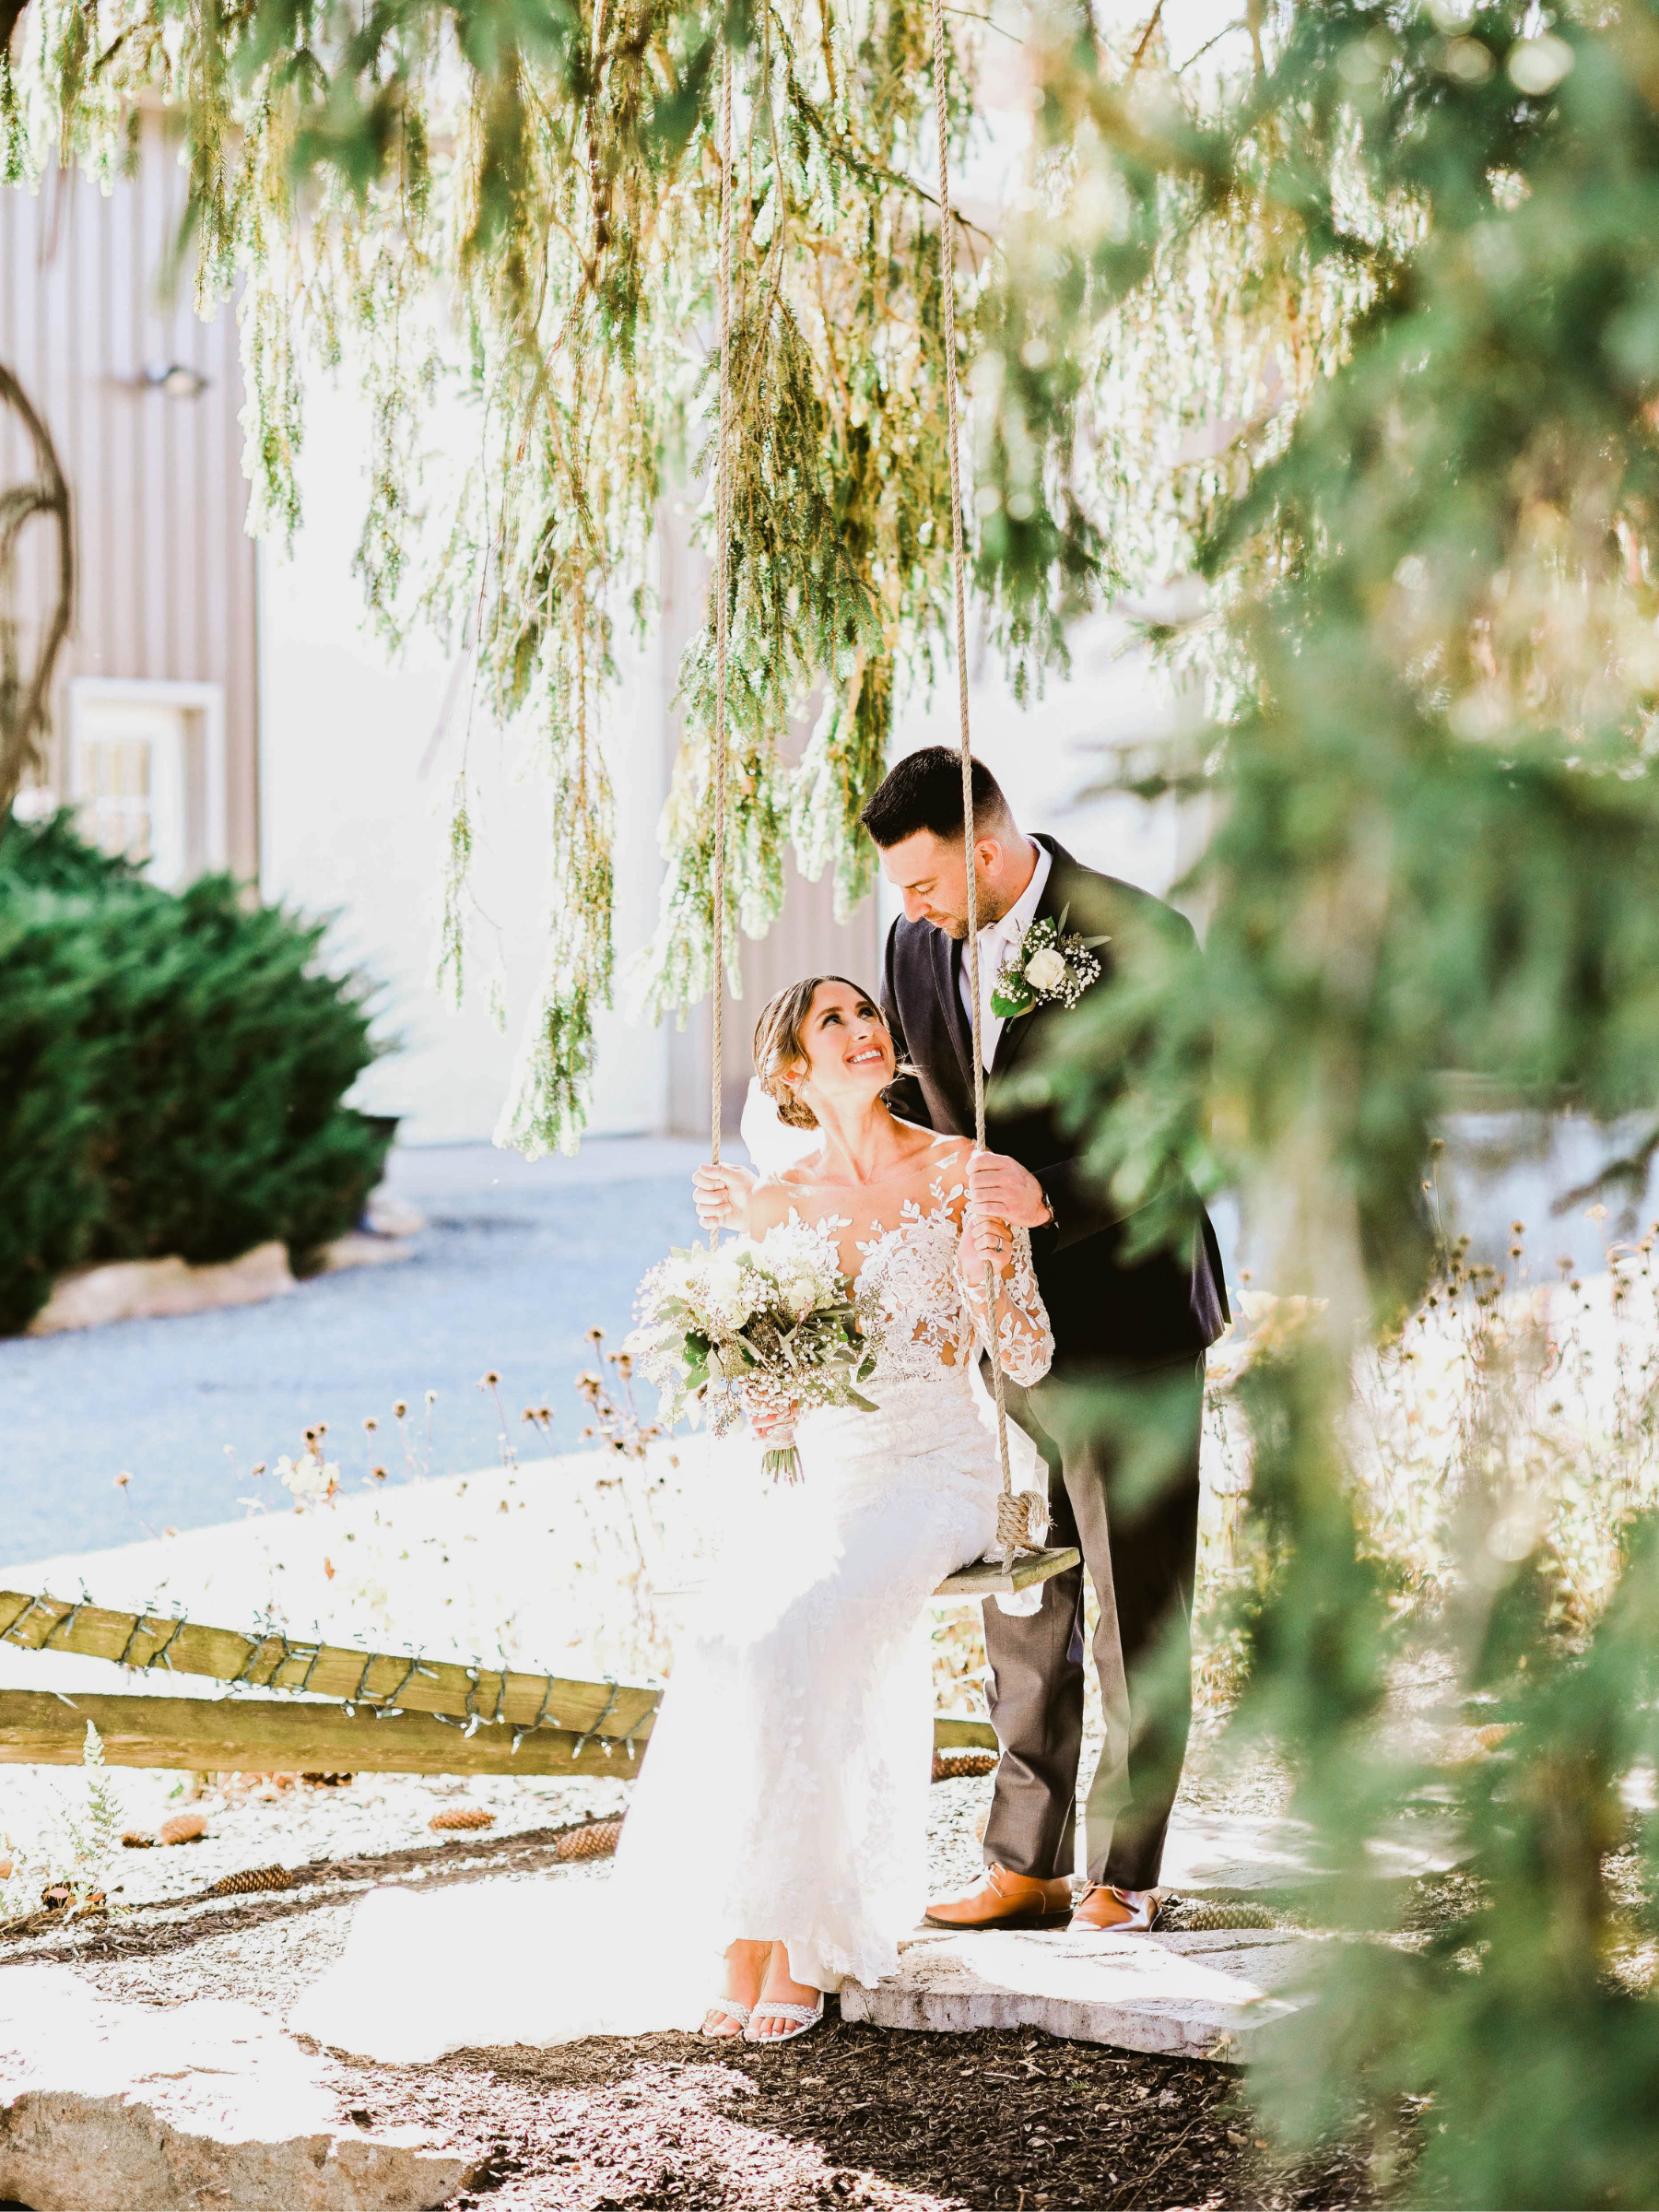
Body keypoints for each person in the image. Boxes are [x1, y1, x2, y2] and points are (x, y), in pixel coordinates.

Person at [290, 975, 1051, 2062]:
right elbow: (762, 1402)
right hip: (830, 1479)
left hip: (939, 1472)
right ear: (789, 1071)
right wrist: (763, 1383)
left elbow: (1025, 1357)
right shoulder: (777, 1207)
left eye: (866, 1013)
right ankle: (745, 1930)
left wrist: (995, 1267)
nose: (863, 1029)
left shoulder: (954, 1172)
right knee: (734, 1638)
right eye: (830, 1020)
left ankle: (790, 1936)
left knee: (799, 1635)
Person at [856, 747, 1228, 1936]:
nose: (911, 910)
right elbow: (926, 1102)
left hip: (1130, 1311)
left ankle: (1126, 1872)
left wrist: (1051, 1190)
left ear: (989, 847)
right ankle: (1024, 1861)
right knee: (1022, 1593)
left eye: (924, 882)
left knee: (1138, 1603)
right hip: (996, 1323)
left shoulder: (1139, 934)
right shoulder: (916, 945)